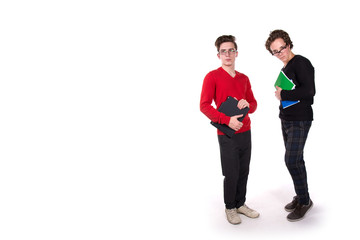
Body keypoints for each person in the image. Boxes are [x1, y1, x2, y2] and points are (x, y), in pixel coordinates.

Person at [200, 35, 259, 225]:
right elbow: (204, 106)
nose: (227, 54)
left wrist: (246, 104)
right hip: (226, 133)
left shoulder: (244, 78)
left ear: (236, 53)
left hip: (246, 130)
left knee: (244, 171)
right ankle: (230, 207)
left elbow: (254, 104)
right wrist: (227, 120)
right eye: (223, 51)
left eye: (231, 50)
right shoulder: (212, 76)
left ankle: (240, 203)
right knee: (231, 172)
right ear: (218, 55)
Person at [265, 30, 316, 221]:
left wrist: (282, 95)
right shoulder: (286, 67)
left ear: (289, 44)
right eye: (275, 51)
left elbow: (309, 91)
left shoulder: (301, 62)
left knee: (291, 159)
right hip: (286, 119)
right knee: (296, 159)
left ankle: (304, 201)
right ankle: (301, 196)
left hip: (299, 120)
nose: (280, 53)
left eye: (282, 48)